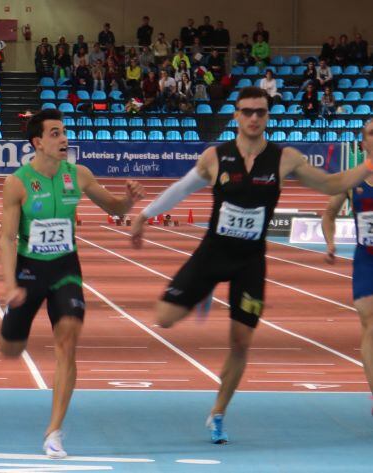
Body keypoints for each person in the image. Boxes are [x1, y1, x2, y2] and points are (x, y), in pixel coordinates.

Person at [130, 86, 373, 445]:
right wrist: (144, 215)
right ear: (236, 116)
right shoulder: (216, 157)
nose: (254, 118)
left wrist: (369, 164)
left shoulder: (284, 158)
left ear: (268, 116)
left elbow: (330, 184)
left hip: (250, 260)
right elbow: (182, 189)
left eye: (260, 112)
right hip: (213, 253)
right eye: (247, 112)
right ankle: (206, 291)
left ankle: (217, 414)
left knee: (240, 342)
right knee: (164, 318)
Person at [0, 109, 144, 458]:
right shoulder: (17, 182)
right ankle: (12, 316)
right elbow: (7, 238)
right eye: (54, 134)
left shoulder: (78, 175)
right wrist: (10, 285)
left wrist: (129, 200)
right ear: (37, 142)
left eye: (64, 132)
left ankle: (54, 432)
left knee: (68, 338)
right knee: (11, 348)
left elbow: (114, 208)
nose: (64, 139)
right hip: (29, 272)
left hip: (66, 268)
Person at [322, 119, 373, 414]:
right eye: (371, 134)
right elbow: (328, 213)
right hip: (366, 259)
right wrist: (330, 243)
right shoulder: (352, 180)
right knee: (369, 323)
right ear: (362, 142)